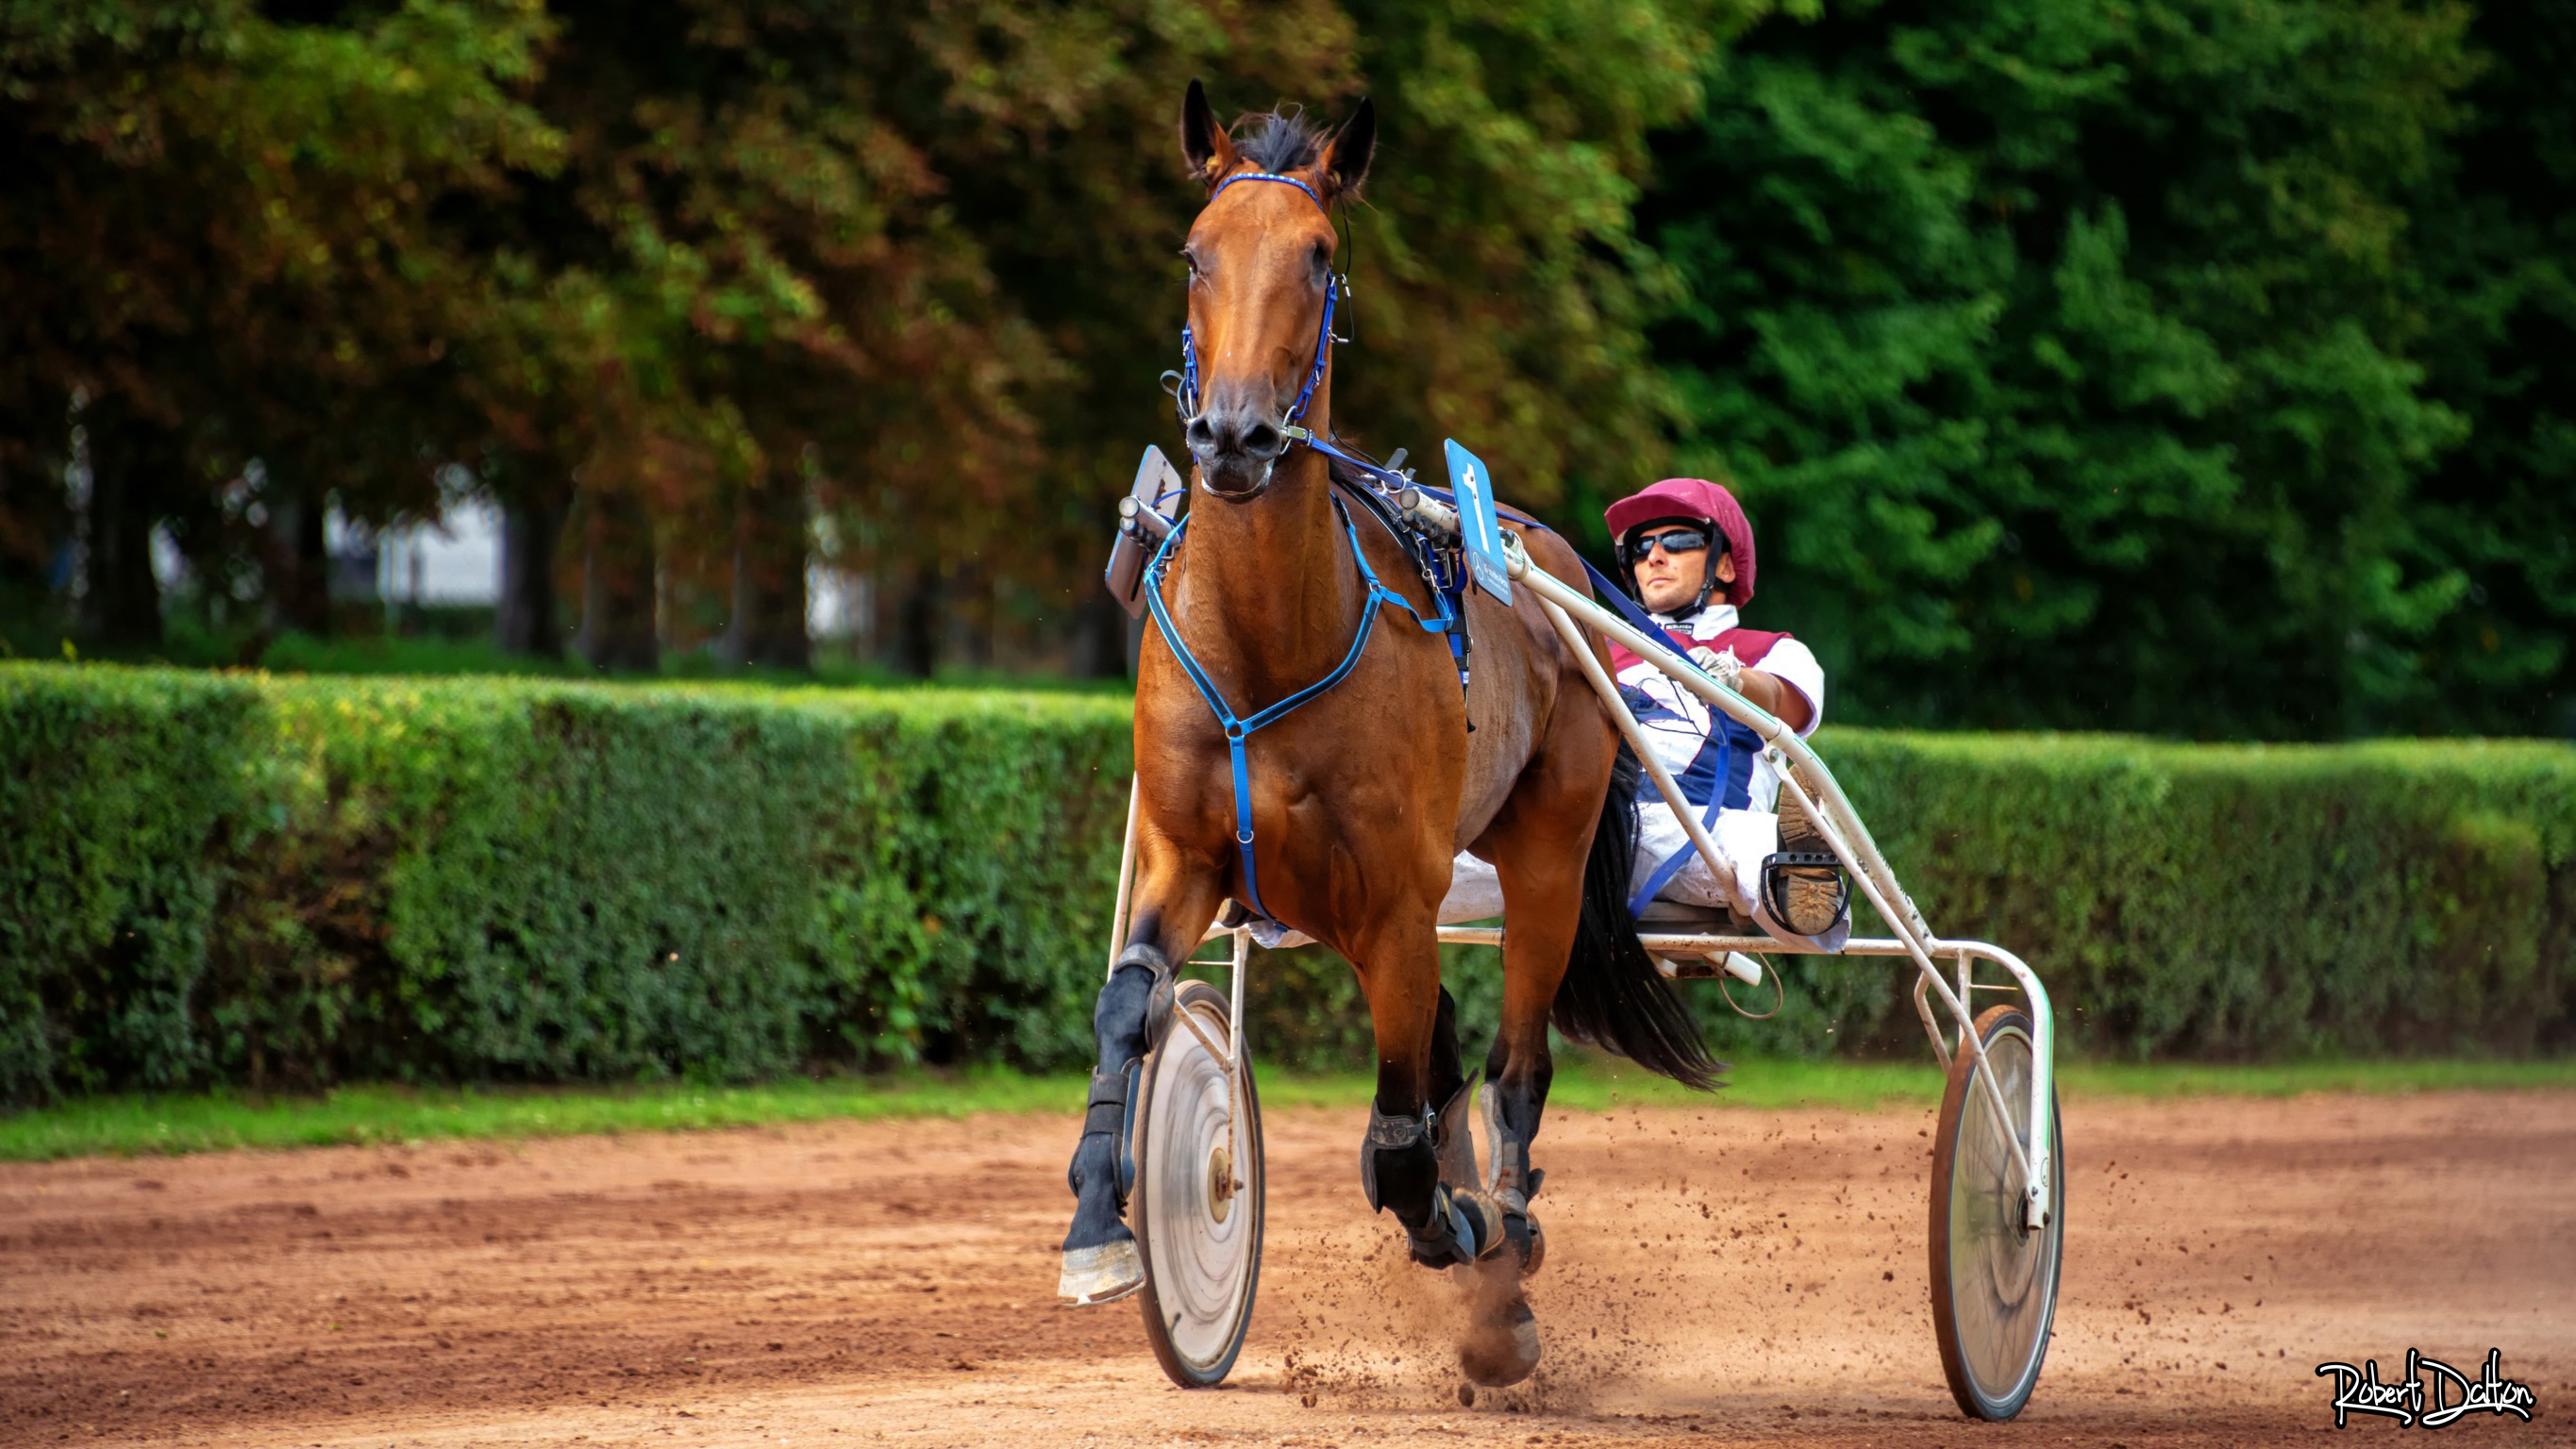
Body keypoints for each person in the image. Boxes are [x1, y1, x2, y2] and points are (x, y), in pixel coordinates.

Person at [1440, 477, 1848, 941]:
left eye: (1677, 541)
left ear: (1728, 566)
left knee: (1760, 847)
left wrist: (1735, 680)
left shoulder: (1774, 650)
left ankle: (1803, 876)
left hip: (1697, 828)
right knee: (1419, 863)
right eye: (1640, 548)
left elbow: (1783, 706)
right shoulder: (1594, 644)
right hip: (1577, 829)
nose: (1653, 556)